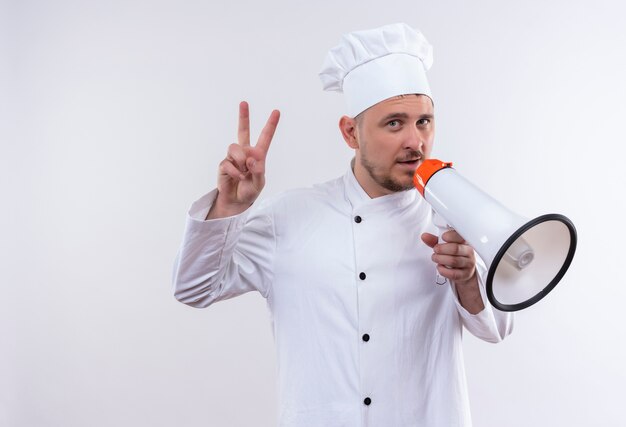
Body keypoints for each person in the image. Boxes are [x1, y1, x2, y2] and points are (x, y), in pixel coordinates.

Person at [173, 23, 513, 427]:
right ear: (350, 132)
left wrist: (468, 279)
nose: (415, 141)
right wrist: (230, 206)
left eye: (424, 122)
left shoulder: (456, 215)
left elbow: (499, 327)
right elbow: (194, 287)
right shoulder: (290, 216)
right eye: (394, 123)